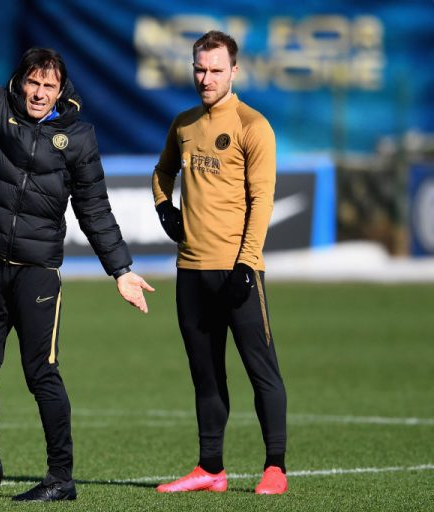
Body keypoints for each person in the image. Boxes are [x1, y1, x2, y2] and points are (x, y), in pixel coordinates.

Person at [0, 47, 154, 502]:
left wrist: (121, 270)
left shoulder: (79, 137)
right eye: (32, 82)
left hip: (37, 274)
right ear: (20, 82)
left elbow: (95, 209)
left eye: (48, 86)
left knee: (42, 374)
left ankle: (60, 478)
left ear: (60, 90)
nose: (38, 93)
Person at [151, 30, 288, 495]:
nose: (206, 78)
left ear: (234, 71)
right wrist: (164, 207)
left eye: (215, 70)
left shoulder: (253, 125)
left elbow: (262, 200)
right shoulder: (184, 124)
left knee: (261, 370)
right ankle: (211, 469)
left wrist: (246, 265)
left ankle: (275, 467)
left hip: (237, 271)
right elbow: (162, 171)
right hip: (190, 271)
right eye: (199, 69)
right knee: (205, 373)